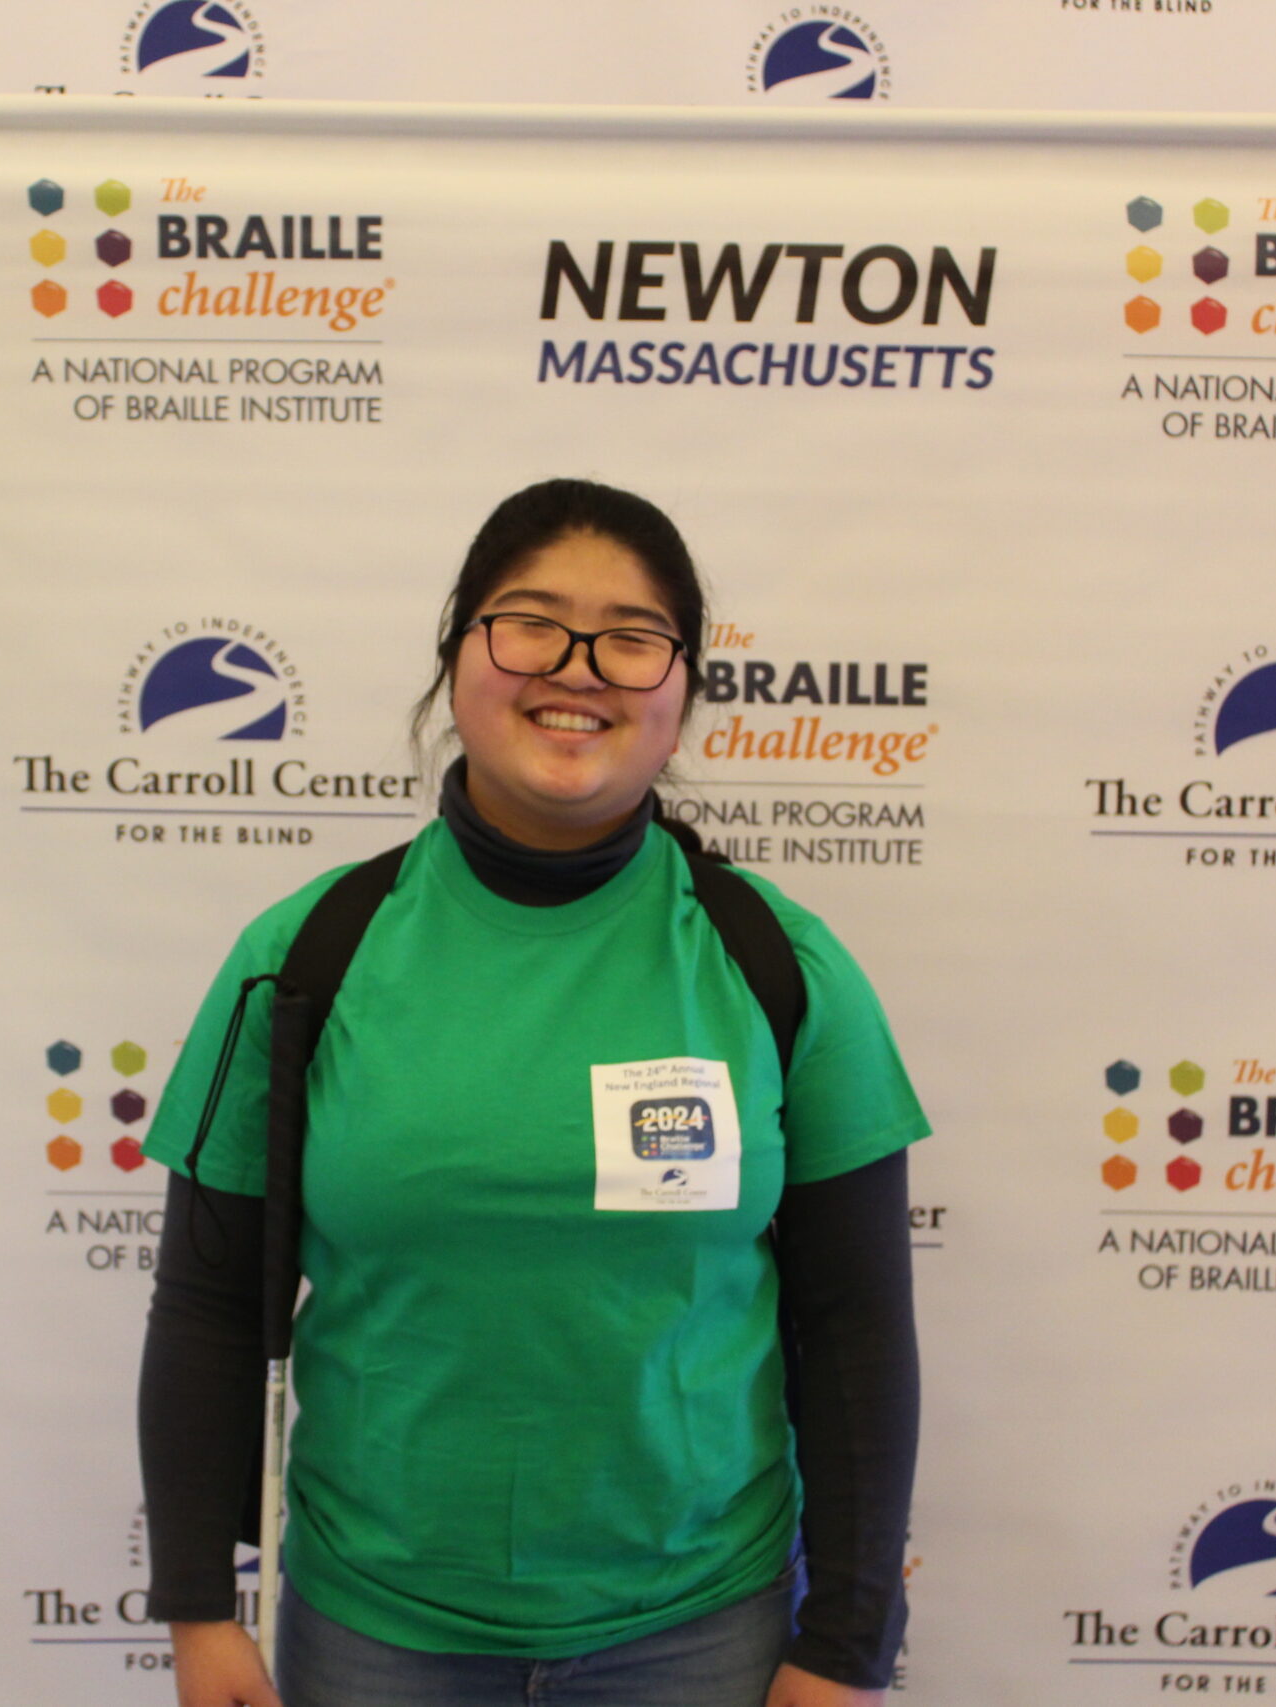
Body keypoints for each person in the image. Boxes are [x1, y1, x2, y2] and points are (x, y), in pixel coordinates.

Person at [137, 478, 930, 1707]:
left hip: (699, 1632)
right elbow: (207, 1307)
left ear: (680, 692)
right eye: (530, 622)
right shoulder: (303, 960)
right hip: (374, 1633)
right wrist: (200, 1608)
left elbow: (857, 1328)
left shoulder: (781, 967)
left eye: (631, 635)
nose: (579, 666)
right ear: (458, 656)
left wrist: (844, 1645)